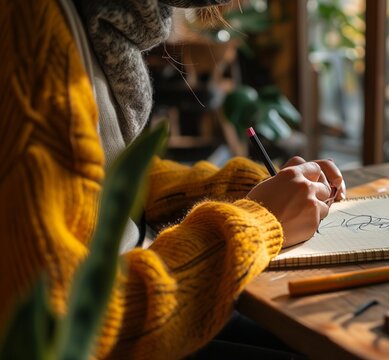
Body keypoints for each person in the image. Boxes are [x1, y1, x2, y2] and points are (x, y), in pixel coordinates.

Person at [0, 0, 345, 358]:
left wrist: (244, 188)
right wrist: (257, 219)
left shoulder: (96, 19)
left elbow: (100, 173)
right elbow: (67, 327)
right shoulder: (31, 29)